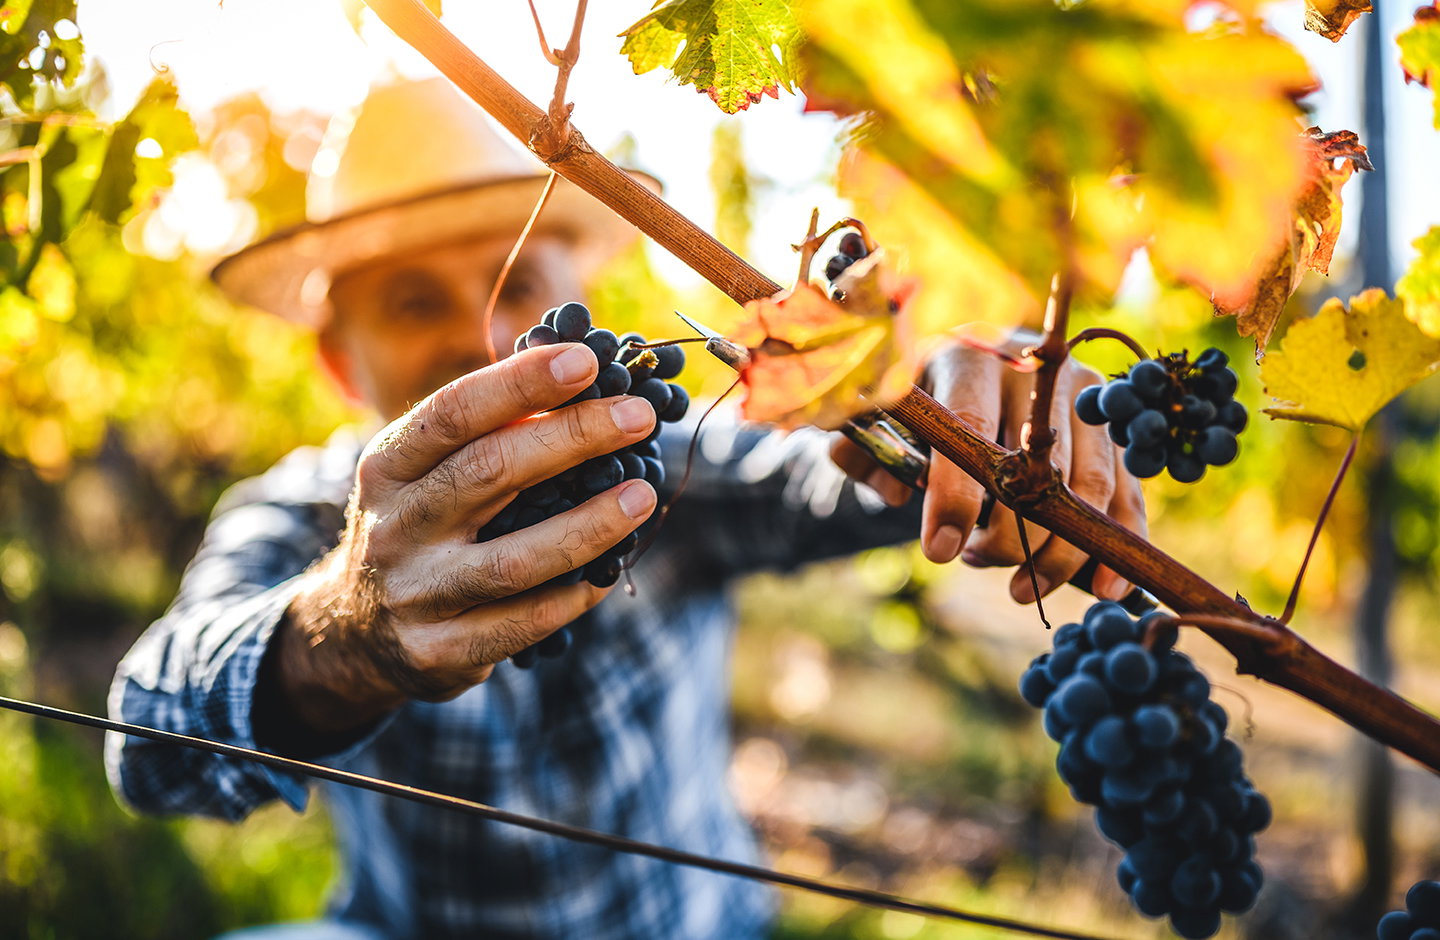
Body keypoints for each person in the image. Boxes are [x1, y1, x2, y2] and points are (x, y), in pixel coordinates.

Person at [105, 78, 1146, 939]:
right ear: (341, 362)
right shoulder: (301, 516)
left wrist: (959, 409)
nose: (483, 340)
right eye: (414, 302)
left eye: (518, 286)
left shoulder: (671, 473)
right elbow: (147, 744)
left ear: (580, 301)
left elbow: (830, 473)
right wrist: (340, 634)